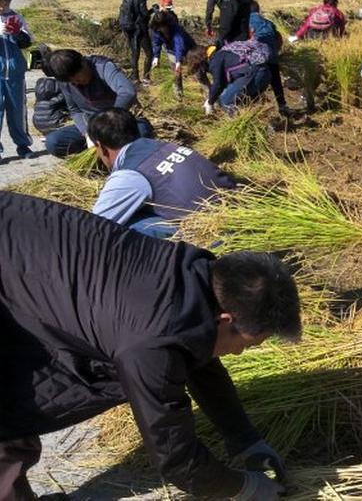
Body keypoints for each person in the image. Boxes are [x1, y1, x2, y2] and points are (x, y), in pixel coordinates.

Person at [0, 191, 300, 501]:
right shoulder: (150, 343)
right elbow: (176, 460)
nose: (237, 352)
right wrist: (244, 488)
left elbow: (194, 351)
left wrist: (244, 439)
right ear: (225, 319)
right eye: (244, 343)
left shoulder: (193, 276)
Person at [88, 108, 237, 239]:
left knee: (128, 225)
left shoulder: (129, 175)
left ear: (100, 146)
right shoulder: (165, 146)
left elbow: (93, 228)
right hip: (239, 207)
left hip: (215, 234)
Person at [44, 49, 152, 157]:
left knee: (141, 135)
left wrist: (109, 121)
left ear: (83, 62)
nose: (76, 83)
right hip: (94, 125)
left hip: (122, 122)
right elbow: (75, 110)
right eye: (72, 82)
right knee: (53, 142)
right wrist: (87, 133)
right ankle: (102, 156)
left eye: (78, 79)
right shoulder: (65, 81)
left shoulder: (102, 67)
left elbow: (127, 92)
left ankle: (113, 156)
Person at [187, 41, 272, 116]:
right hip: (265, 73)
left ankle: (239, 127)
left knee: (225, 101)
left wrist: (210, 102)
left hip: (255, 74)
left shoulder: (215, 60)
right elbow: (223, 83)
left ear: (200, 60)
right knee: (241, 102)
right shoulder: (221, 52)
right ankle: (251, 122)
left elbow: (218, 84)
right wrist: (211, 98)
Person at [0, 0, 33, 160]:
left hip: (14, 73)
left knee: (17, 110)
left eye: (6, 1)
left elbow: (27, 41)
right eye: (0, 1)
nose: (3, 5)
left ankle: (23, 145)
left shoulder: (16, 17)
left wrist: (17, 33)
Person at [251, 2, 297, 117]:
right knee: (276, 82)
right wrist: (275, 52)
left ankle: (253, 109)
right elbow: (279, 39)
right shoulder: (268, 23)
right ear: (258, 9)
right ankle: (282, 106)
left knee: (253, 83)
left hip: (255, 59)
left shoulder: (244, 22)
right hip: (271, 56)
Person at [150, 9, 196, 97]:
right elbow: (156, 43)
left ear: (167, 24)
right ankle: (179, 93)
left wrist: (178, 61)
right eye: (159, 27)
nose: (161, 29)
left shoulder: (176, 29)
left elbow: (179, 45)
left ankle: (210, 96)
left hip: (188, 48)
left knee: (197, 71)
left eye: (162, 27)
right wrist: (156, 56)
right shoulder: (155, 29)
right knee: (176, 72)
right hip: (171, 50)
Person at [118, 0, 153, 84]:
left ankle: (135, 77)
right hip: (139, 28)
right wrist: (152, 10)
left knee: (134, 53)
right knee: (149, 53)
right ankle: (146, 77)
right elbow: (144, 14)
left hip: (127, 27)